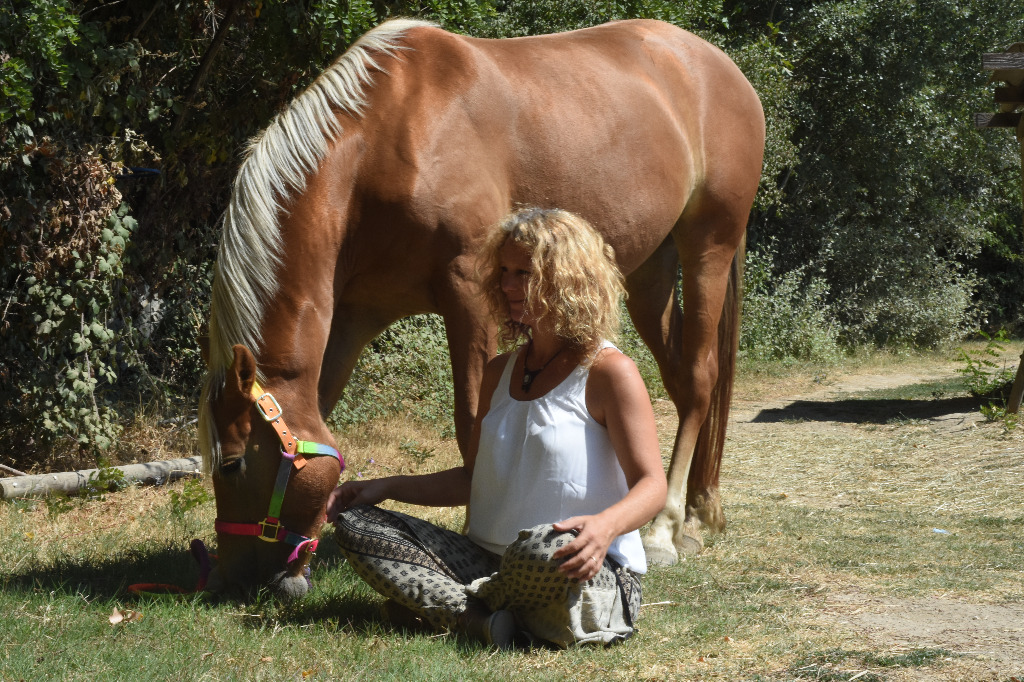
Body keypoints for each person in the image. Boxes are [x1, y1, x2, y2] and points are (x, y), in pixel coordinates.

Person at [327, 207, 667, 648]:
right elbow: (474, 480)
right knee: (359, 524)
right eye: (504, 271)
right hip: (485, 562)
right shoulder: (499, 372)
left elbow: (653, 484)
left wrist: (604, 528)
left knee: (545, 545)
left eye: (524, 273)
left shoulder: (609, 372)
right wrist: (386, 486)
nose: (507, 285)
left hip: (572, 566)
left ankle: (459, 611)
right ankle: (486, 616)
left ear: (567, 279)